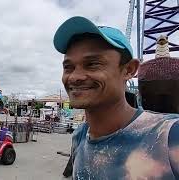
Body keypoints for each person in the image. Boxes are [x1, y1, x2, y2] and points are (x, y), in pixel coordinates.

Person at [53, 16, 179, 179]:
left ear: (129, 70)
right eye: (68, 67)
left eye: (92, 64)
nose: (75, 77)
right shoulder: (79, 136)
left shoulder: (169, 136)